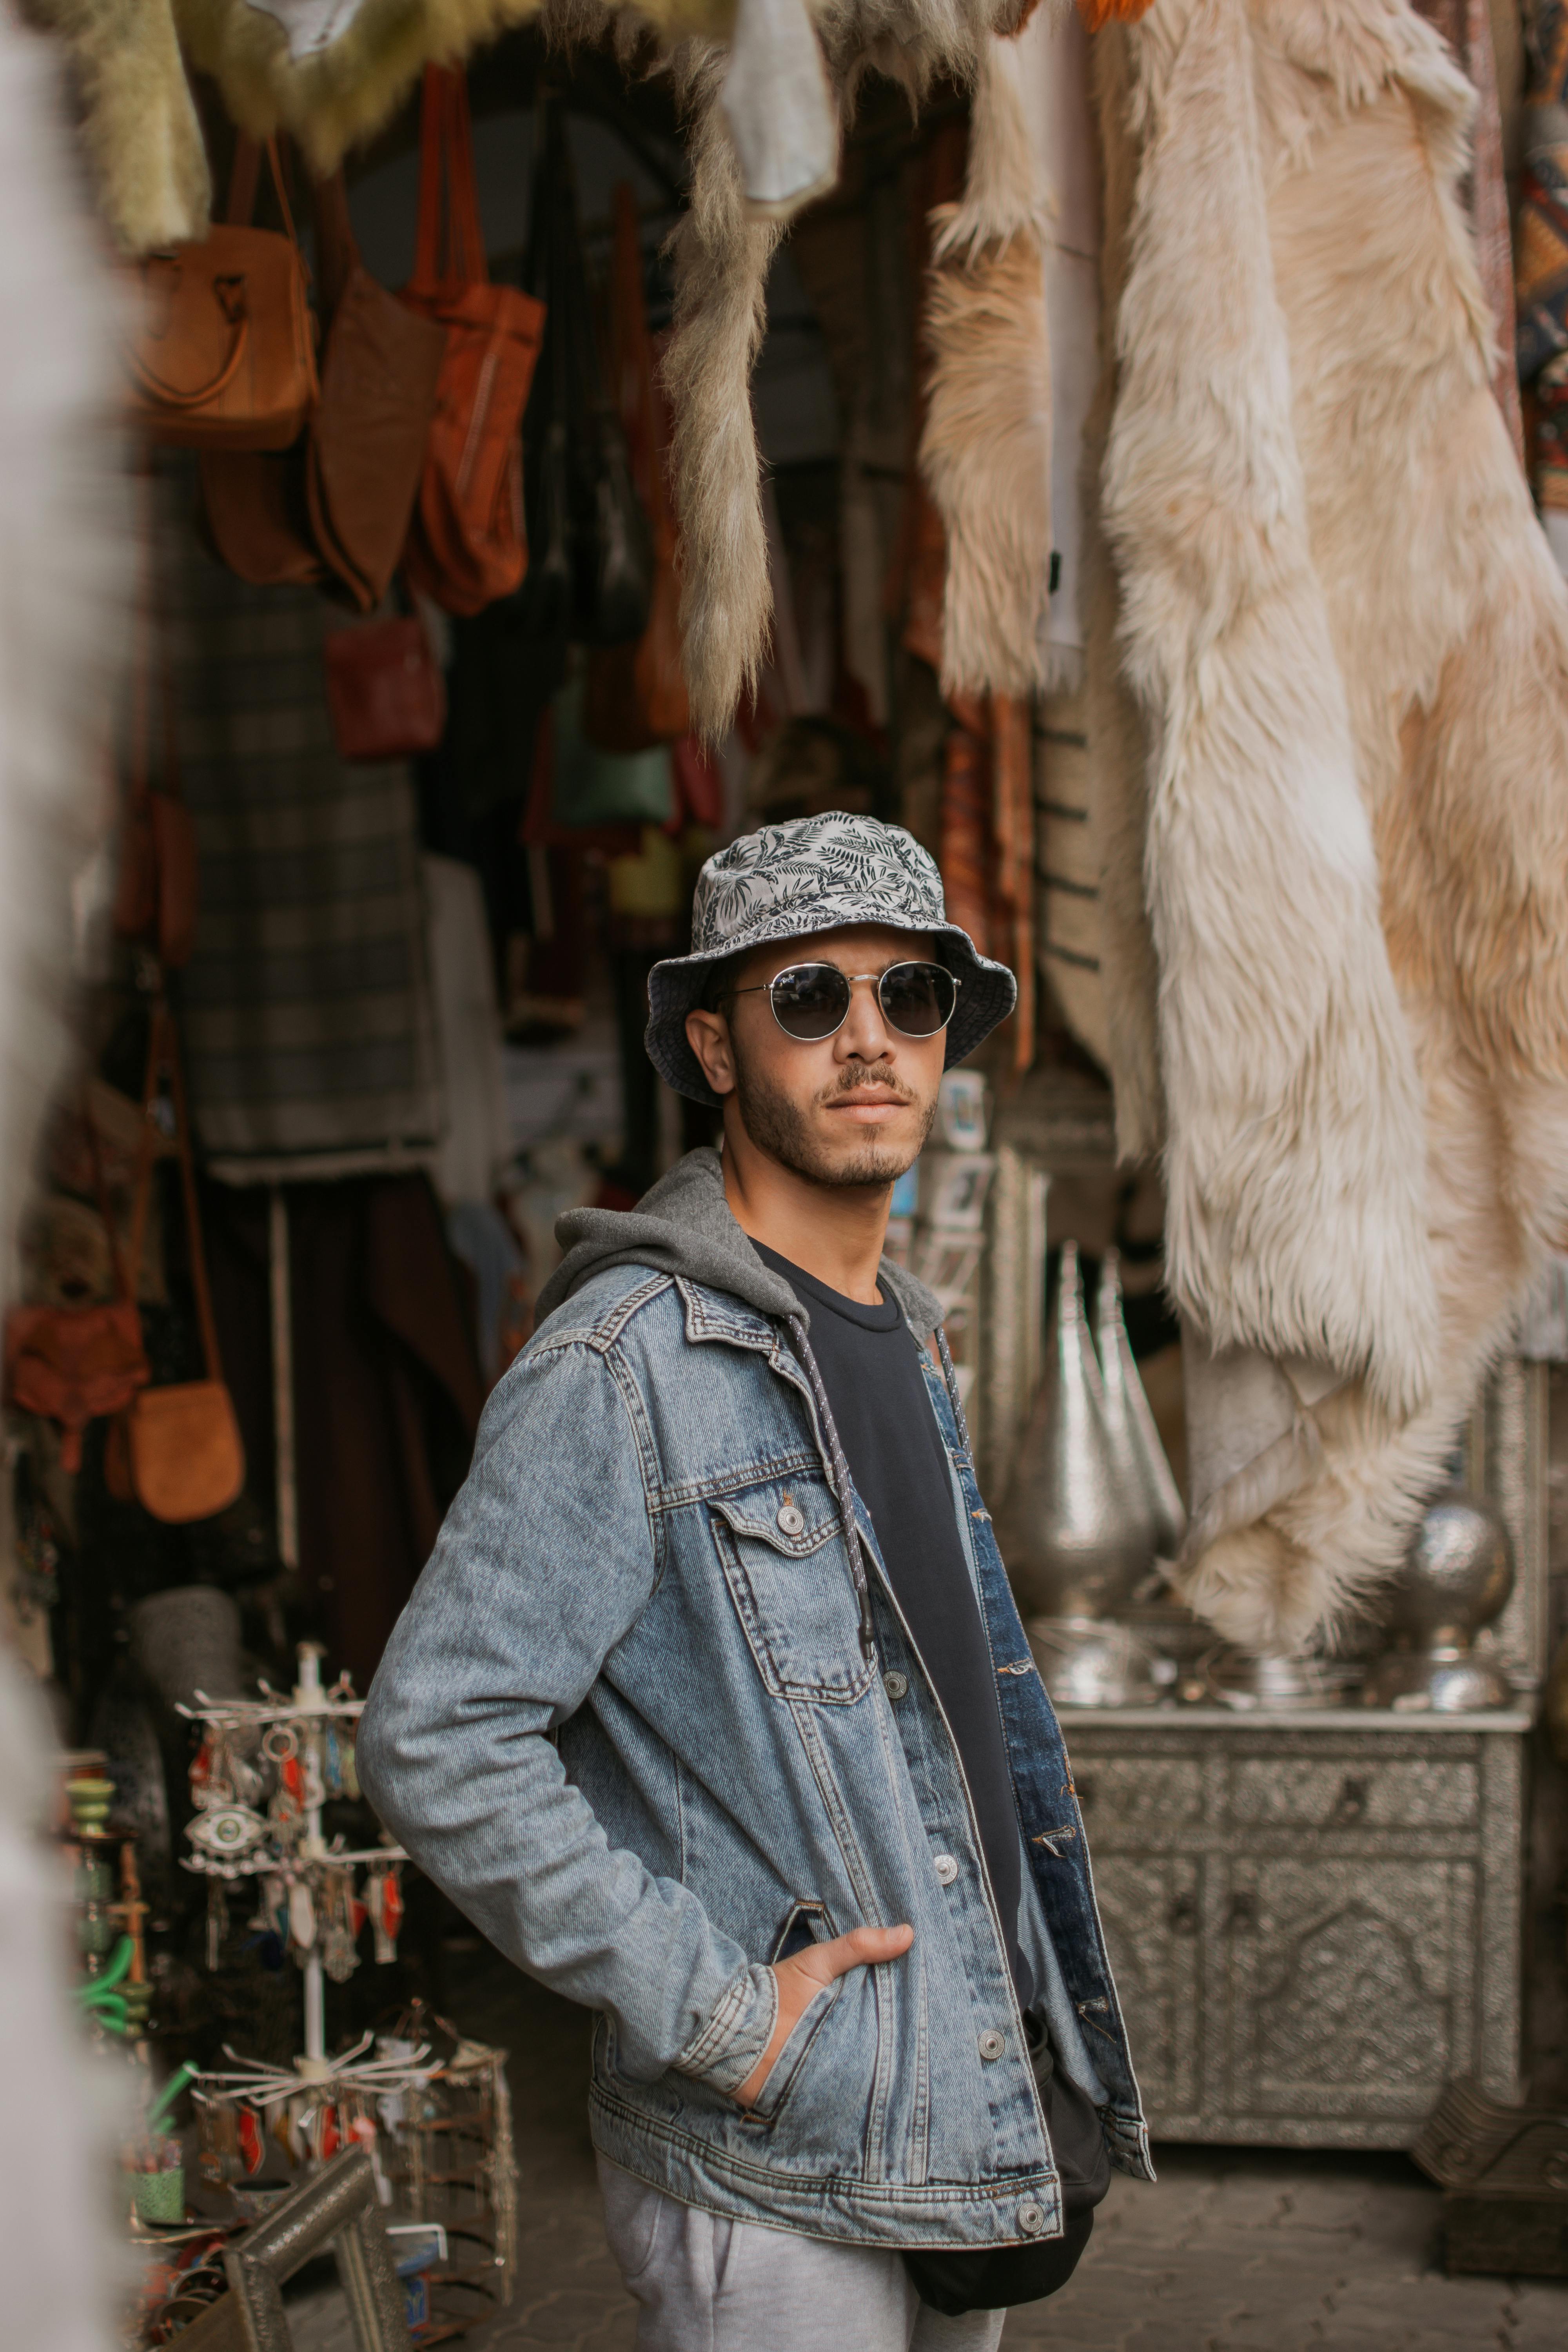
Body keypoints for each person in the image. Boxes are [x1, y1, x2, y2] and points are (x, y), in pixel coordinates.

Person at [358, 813, 1151, 2350]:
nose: (869, 1040)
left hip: (948, 2100)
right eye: (811, 999)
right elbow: (438, 1739)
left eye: (907, 999)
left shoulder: (901, 1336)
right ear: (716, 1050)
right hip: (775, 2147)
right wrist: (723, 2016)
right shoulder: (621, 1362)